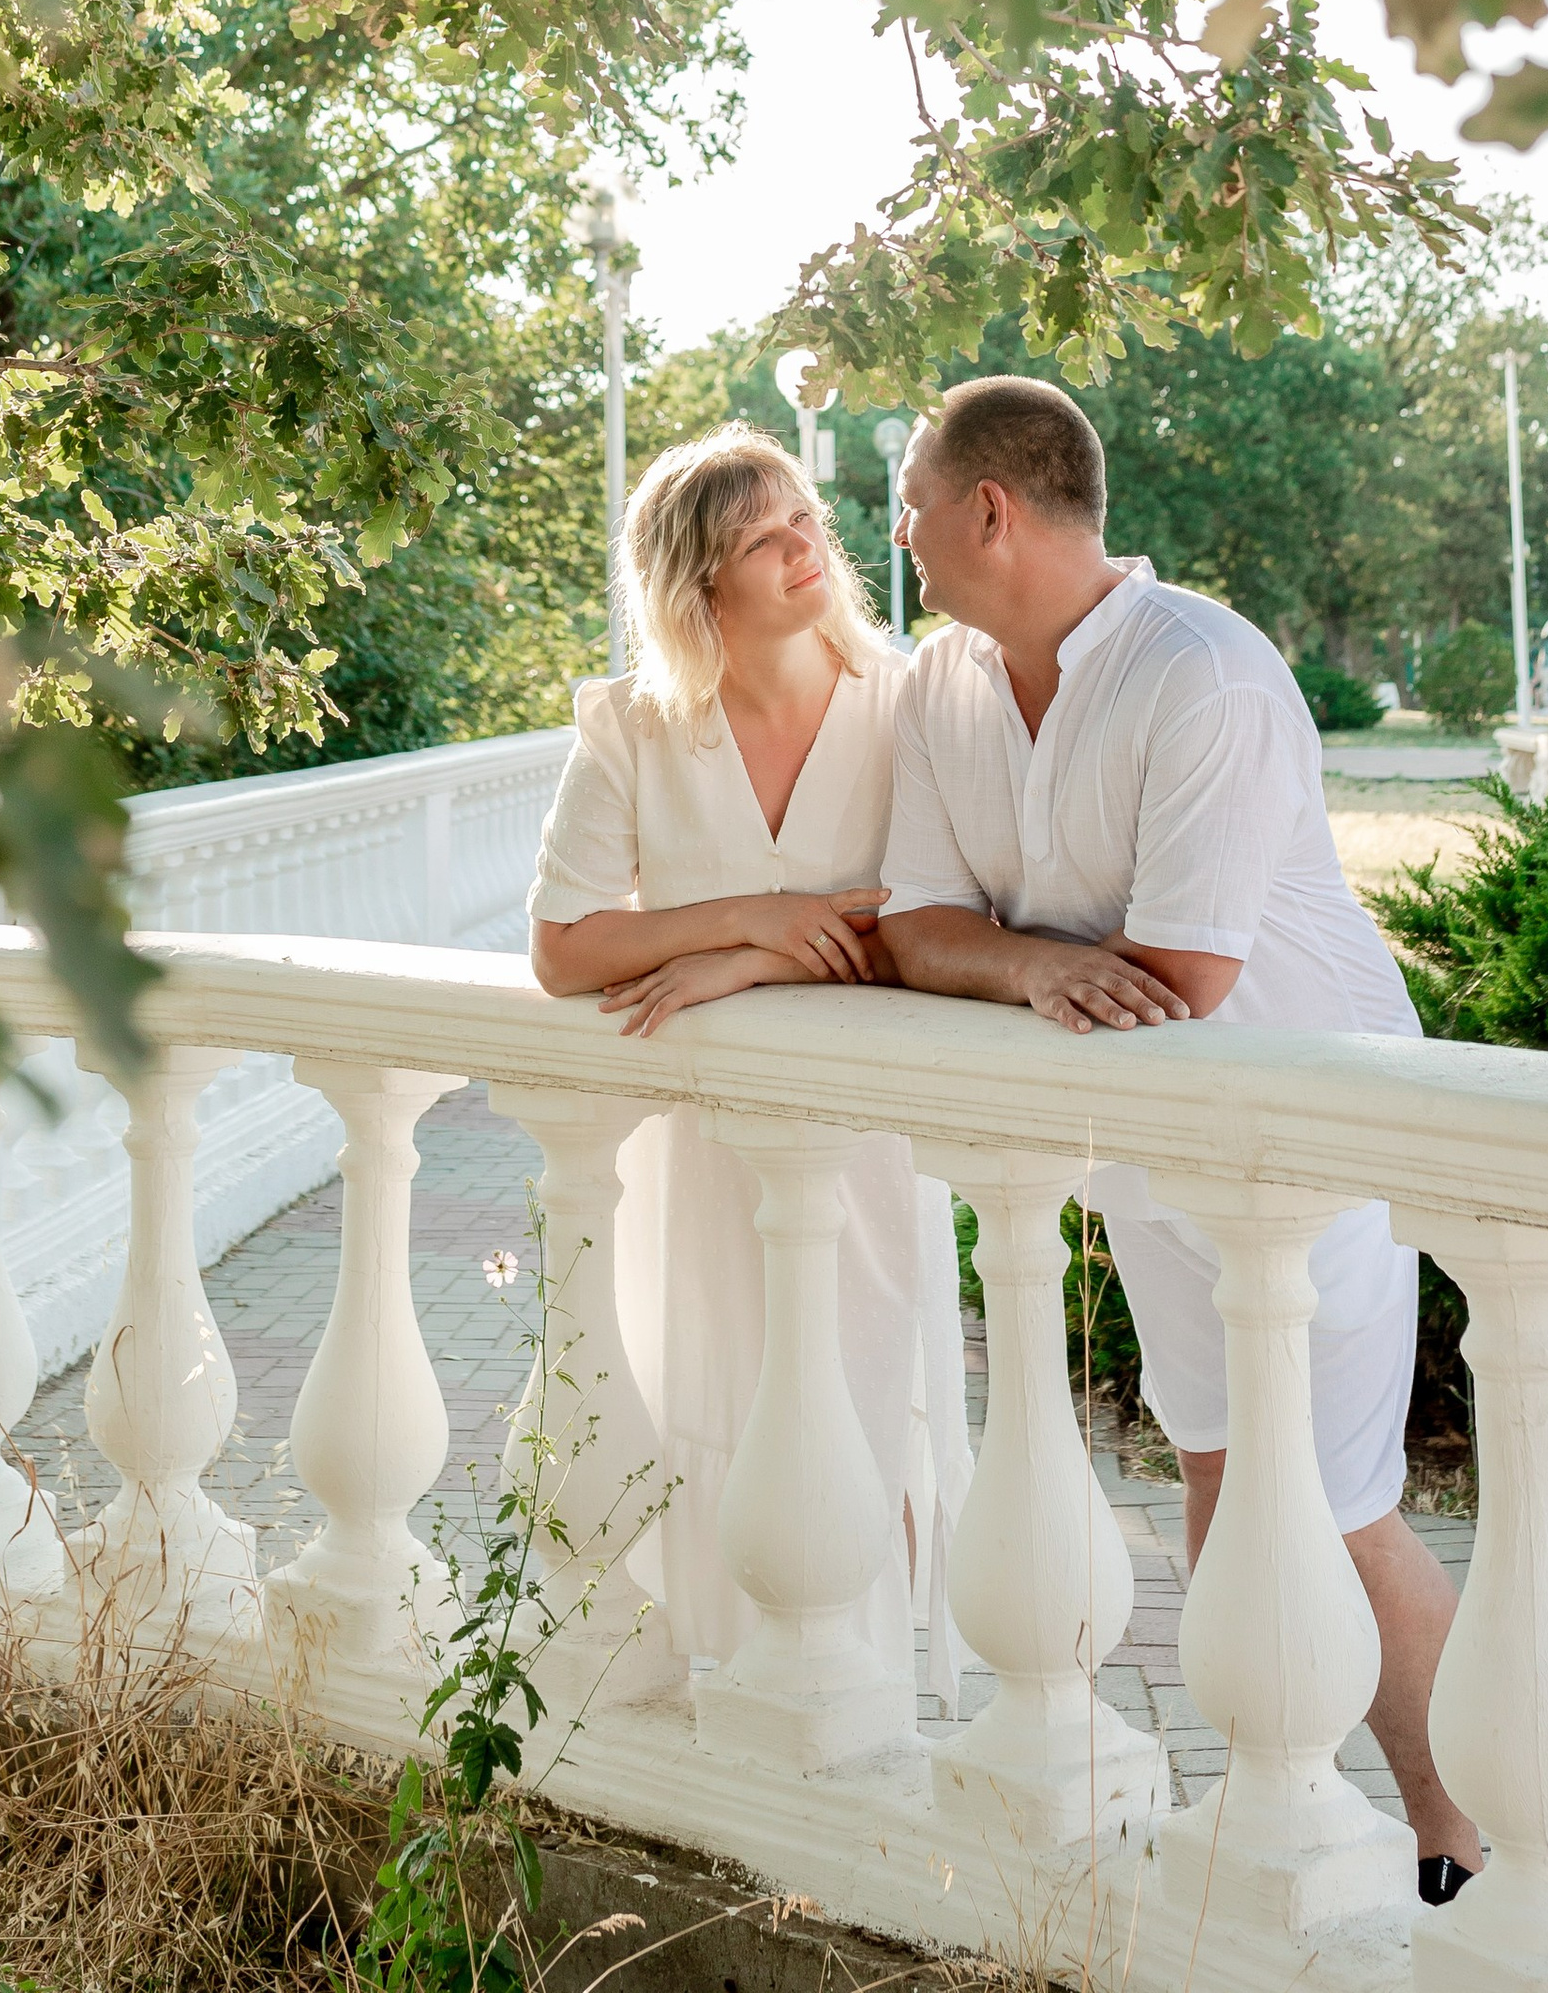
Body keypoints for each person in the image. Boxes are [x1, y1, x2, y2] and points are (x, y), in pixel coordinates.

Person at [878, 373, 1482, 1901]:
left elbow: (1187, 979)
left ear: (991, 511)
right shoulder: (941, 685)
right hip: (1140, 1152)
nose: (899, 533)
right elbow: (917, 925)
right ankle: (1277, 1808)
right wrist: (1024, 963)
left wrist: (1014, 955)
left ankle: (1462, 1840)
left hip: (1305, 1138)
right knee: (1218, 1464)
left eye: (913, 503)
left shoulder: (1204, 672)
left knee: (1337, 1510)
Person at [527, 424, 968, 1690]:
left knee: (869, 1407)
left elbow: (943, 903)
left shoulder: (912, 705)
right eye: (760, 537)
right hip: (702, 1151)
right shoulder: (631, 728)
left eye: (804, 521)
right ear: (696, 584)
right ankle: (737, 1705)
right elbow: (565, 946)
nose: (803, 547)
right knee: (708, 1409)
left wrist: (754, 963)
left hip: (868, 1140)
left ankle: (863, 1704)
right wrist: (748, 917)